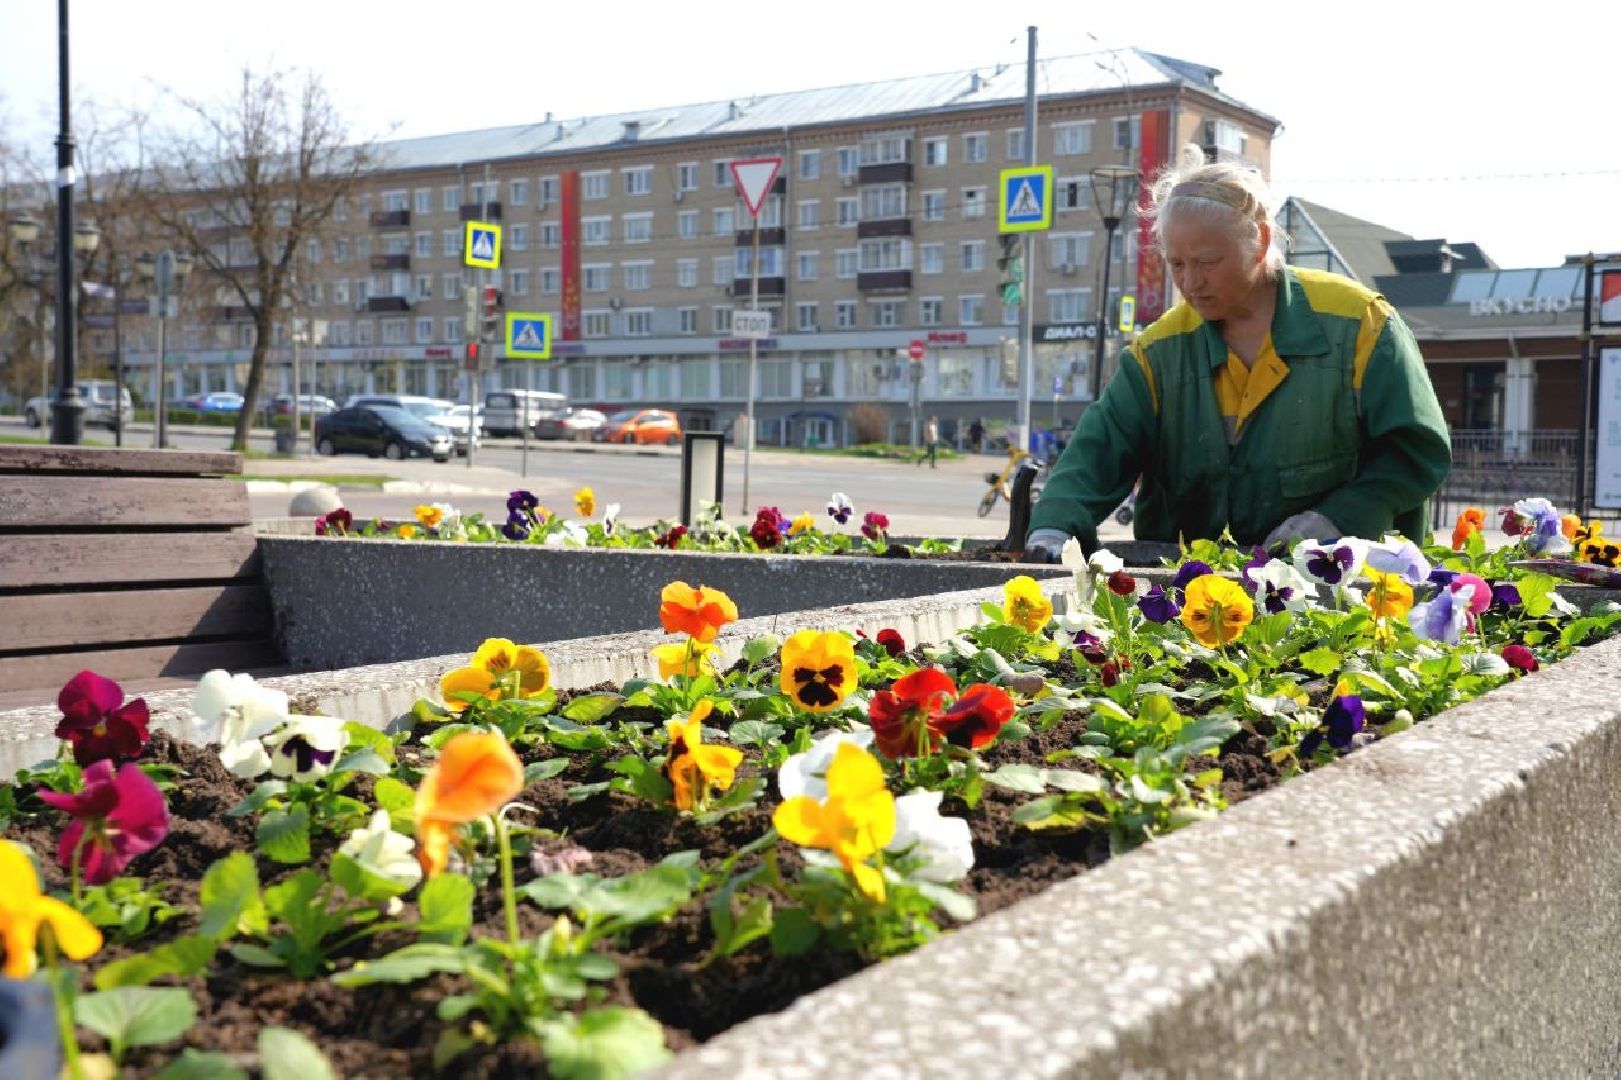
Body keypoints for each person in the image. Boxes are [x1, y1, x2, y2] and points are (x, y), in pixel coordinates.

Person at [1024, 146, 1450, 561]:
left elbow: (1416, 451)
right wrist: (1053, 525)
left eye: (1207, 261)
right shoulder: (1157, 353)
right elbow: (1097, 453)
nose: (1191, 282)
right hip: (1187, 607)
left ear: (1261, 240)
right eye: (1177, 264)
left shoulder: (1361, 325)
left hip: (1343, 596)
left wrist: (1338, 518)